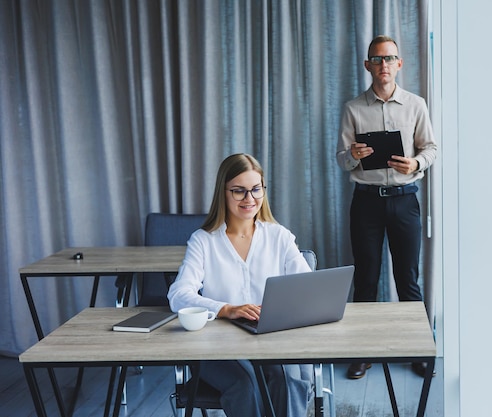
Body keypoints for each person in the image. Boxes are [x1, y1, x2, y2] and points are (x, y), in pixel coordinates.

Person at [167, 153, 313, 417]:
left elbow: (307, 287)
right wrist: (226, 309)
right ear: (223, 192)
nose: (250, 199)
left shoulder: (279, 236)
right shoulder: (203, 241)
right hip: (218, 345)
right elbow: (178, 295)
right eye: (239, 191)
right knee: (246, 384)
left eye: (256, 189)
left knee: (288, 379)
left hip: (272, 338)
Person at [336, 35, 437, 379]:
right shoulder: (352, 109)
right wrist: (352, 156)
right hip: (365, 204)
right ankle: (362, 353)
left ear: (399, 64)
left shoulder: (416, 104)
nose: (384, 65)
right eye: (377, 59)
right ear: (368, 65)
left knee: (408, 280)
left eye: (390, 58)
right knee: (365, 280)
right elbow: (340, 159)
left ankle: (418, 351)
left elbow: (431, 149)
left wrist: (417, 164)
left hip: (405, 201)